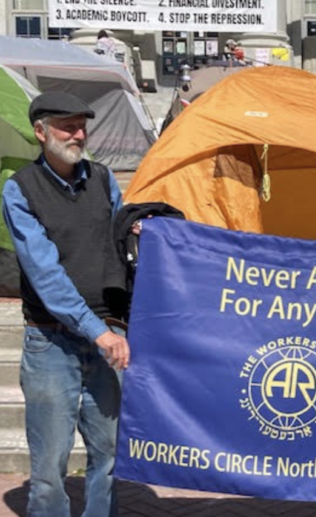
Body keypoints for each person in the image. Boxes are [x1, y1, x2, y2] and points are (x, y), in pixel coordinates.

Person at [1, 92, 130, 517]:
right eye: (67, 126)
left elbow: (117, 246)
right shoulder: (19, 190)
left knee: (109, 454)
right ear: (40, 132)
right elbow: (45, 275)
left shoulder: (104, 178)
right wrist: (99, 332)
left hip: (107, 335)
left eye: (82, 125)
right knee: (50, 466)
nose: (78, 134)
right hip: (52, 342)